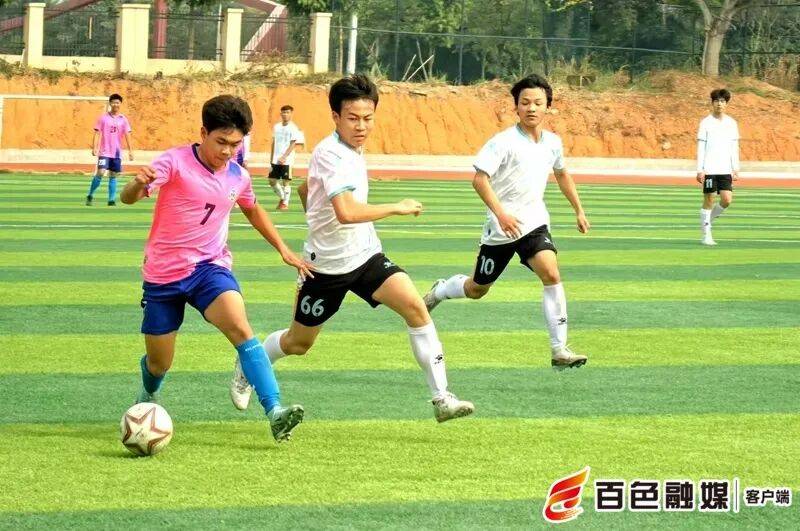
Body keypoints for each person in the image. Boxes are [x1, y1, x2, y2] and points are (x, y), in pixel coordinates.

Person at [230, 75, 474, 423]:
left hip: (366, 256)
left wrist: (316, 212)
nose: (361, 126)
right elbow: (345, 213)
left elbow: (305, 190)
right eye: (353, 118)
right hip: (326, 269)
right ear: (336, 117)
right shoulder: (331, 154)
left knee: (416, 308)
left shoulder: (352, 149)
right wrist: (397, 207)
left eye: (368, 118)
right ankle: (248, 364)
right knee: (299, 343)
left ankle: (442, 399)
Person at [120, 95, 312, 442]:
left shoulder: (238, 175)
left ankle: (275, 412)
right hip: (163, 275)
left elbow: (252, 209)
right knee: (159, 363)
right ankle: (148, 392)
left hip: (209, 267)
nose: (227, 151)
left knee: (241, 328)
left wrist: (283, 248)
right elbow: (128, 197)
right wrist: (136, 184)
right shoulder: (174, 162)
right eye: (221, 142)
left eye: (235, 144)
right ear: (203, 133)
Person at [422, 74, 591, 371]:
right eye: (525, 102)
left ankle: (559, 350)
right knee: (477, 289)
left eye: (537, 102)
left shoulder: (553, 143)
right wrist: (501, 214)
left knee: (551, 273)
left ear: (548, 106)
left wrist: (578, 210)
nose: (531, 108)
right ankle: (441, 290)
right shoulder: (503, 142)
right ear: (516, 107)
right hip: (501, 229)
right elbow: (479, 180)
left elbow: (562, 174)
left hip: (534, 224)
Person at [696, 88, 740, 246]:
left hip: (725, 168)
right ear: (712, 103)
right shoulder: (705, 123)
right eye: (716, 101)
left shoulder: (731, 123)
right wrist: (700, 169)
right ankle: (706, 234)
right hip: (709, 169)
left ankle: (707, 221)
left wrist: (735, 167)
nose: (719, 104)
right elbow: (701, 147)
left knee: (727, 200)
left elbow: (734, 147)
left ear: (726, 104)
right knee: (709, 199)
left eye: (722, 101)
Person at [87, 93, 133, 206]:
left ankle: (111, 200)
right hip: (104, 151)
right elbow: (97, 133)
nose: (115, 104)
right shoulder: (103, 118)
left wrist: (131, 151)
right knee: (101, 172)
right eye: (113, 102)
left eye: (117, 102)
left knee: (113, 175)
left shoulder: (123, 119)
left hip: (116, 153)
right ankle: (90, 194)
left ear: (120, 104)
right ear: (110, 103)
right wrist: (95, 147)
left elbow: (127, 135)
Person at [269, 105, 301, 210]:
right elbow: (274, 142)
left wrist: (284, 156)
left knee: (285, 181)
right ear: (281, 113)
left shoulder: (293, 128)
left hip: (287, 160)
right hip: (276, 158)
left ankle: (285, 204)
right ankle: (283, 197)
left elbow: (293, 144)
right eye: (283, 112)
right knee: (272, 181)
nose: (285, 114)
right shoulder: (276, 127)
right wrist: (271, 158)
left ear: (291, 114)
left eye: (287, 112)